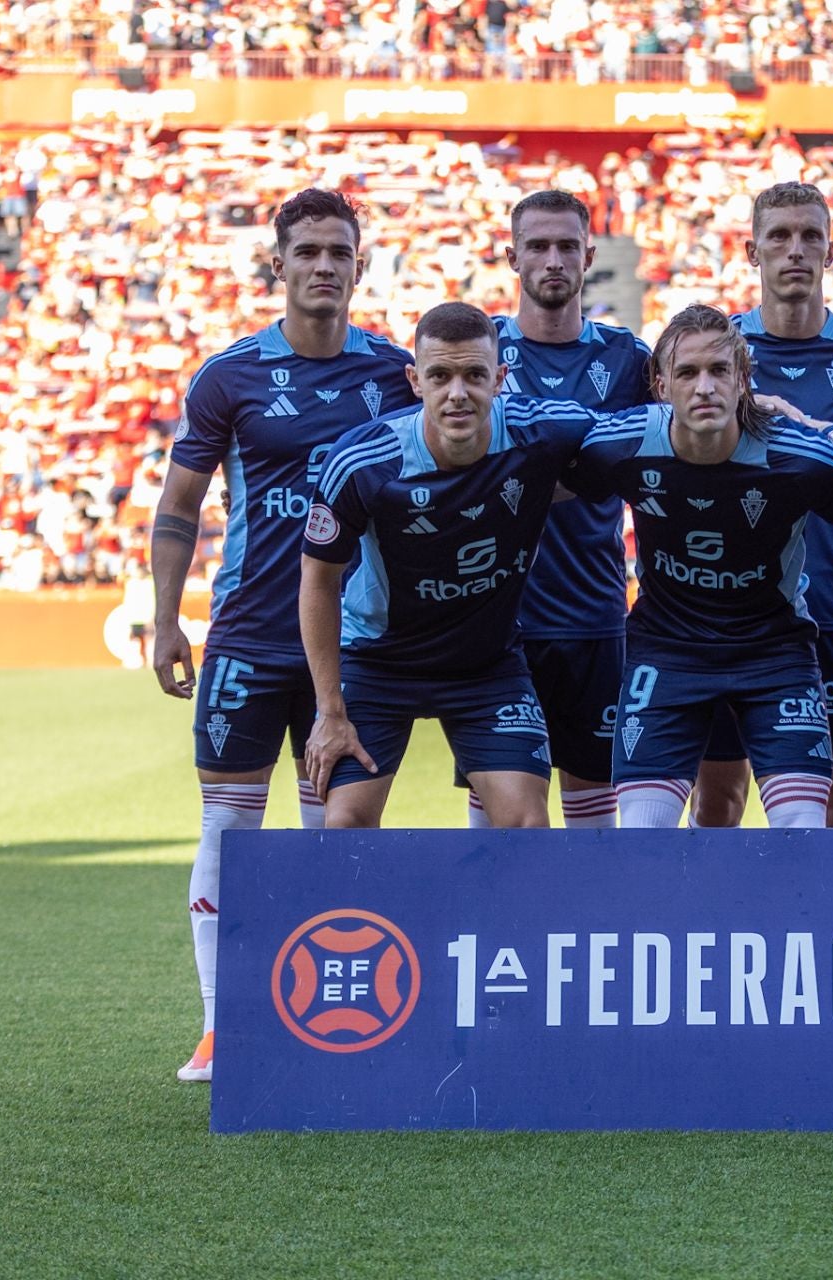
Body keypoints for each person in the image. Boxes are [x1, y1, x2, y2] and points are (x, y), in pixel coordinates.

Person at [146, 188, 415, 1085]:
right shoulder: (229, 376)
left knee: (330, 836)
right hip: (249, 640)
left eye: (340, 252)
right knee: (228, 829)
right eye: (308, 252)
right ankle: (224, 1027)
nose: (325, 266)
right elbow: (179, 506)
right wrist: (166, 618)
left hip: (354, 648)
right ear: (280, 265)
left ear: (360, 265)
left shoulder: (394, 373)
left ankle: (328, 1021)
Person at [298, 302, 609, 829]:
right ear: (414, 380)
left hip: (486, 667)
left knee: (528, 825)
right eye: (440, 376)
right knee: (344, 824)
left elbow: (651, 431)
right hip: (379, 663)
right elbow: (318, 579)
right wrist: (329, 710)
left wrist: (750, 407)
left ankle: (496, 917)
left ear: (500, 378)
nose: (457, 393)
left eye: (474, 375)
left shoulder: (544, 432)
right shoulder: (363, 461)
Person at [573, 304, 833, 830]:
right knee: (644, 838)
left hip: (774, 654)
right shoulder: (622, 445)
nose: (704, 387)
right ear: (662, 385)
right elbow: (526, 486)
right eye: (688, 373)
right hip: (668, 652)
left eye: (719, 371)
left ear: (744, 380)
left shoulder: (799, 457)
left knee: (804, 833)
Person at [690, 181, 833, 830]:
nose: (795, 250)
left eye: (810, 237)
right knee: (717, 805)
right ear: (751, 251)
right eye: (780, 237)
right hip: (724, 623)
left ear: (831, 251)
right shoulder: (708, 354)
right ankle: (717, 933)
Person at [455, 189, 654, 831]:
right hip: (496, 625)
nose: (553, 260)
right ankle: (491, 933)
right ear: (511, 257)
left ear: (590, 255)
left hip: (592, 619)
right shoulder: (475, 357)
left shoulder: (629, 361)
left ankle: (586, 932)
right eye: (537, 246)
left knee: (593, 821)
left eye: (567, 246)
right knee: (498, 819)